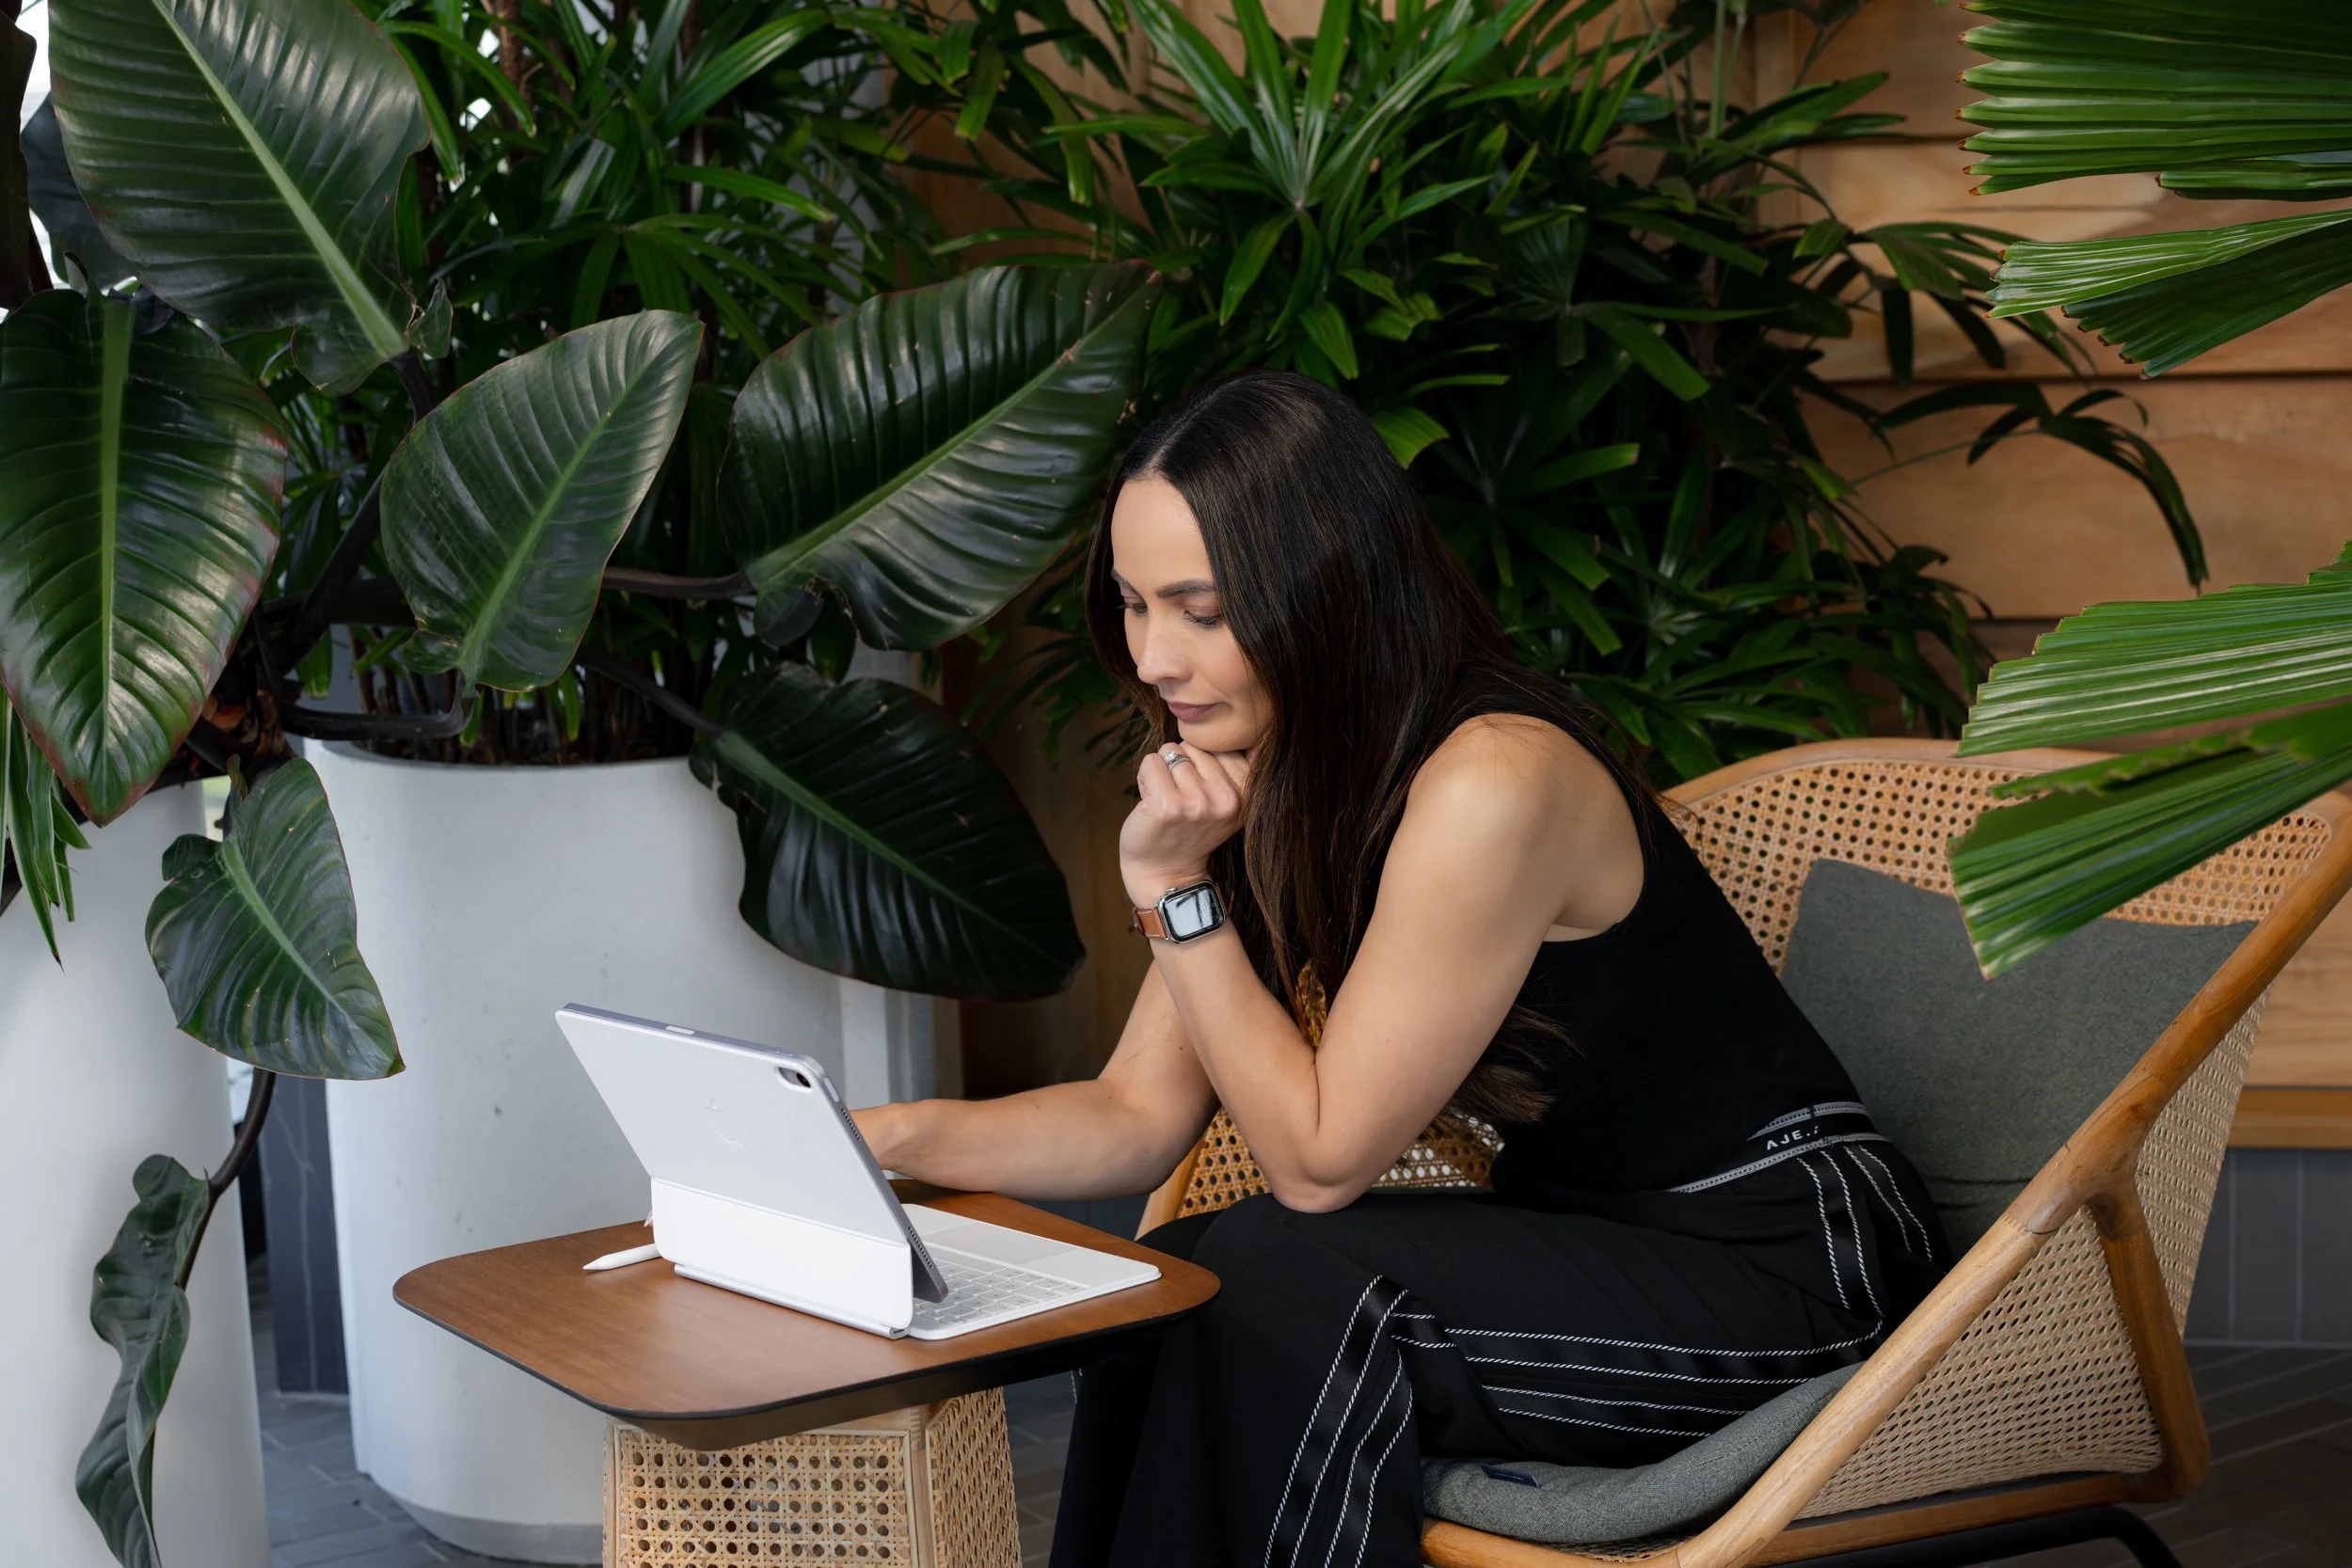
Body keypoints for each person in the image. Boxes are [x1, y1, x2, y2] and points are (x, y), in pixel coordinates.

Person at [850, 369, 1950, 1568]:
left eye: (1201, 607)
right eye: (1129, 603)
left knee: (1285, 1270)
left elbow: (1318, 1164)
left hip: (1795, 1271)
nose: (1153, 656)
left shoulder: (1493, 779)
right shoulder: (1271, 769)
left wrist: (1177, 892)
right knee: (1177, 1276)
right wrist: (878, 1140)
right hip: (1584, 1239)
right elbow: (1131, 1119)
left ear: (1325, 587)